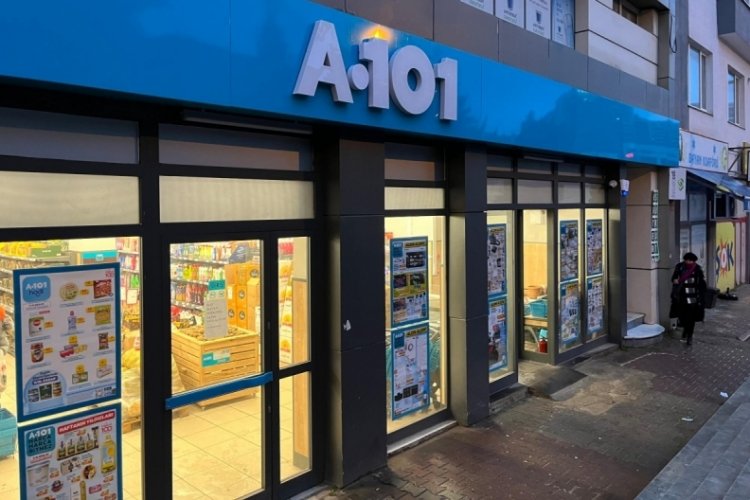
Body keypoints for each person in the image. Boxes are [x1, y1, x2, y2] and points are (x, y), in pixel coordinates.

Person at [670, 252, 706, 346]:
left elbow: (701, 284)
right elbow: (673, 277)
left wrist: (701, 298)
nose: (688, 262)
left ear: (693, 261)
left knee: (691, 318)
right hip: (681, 297)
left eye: (690, 261)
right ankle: (686, 330)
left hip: (693, 298)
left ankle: (689, 336)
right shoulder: (679, 267)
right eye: (687, 260)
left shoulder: (697, 269)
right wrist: (675, 280)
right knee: (682, 316)